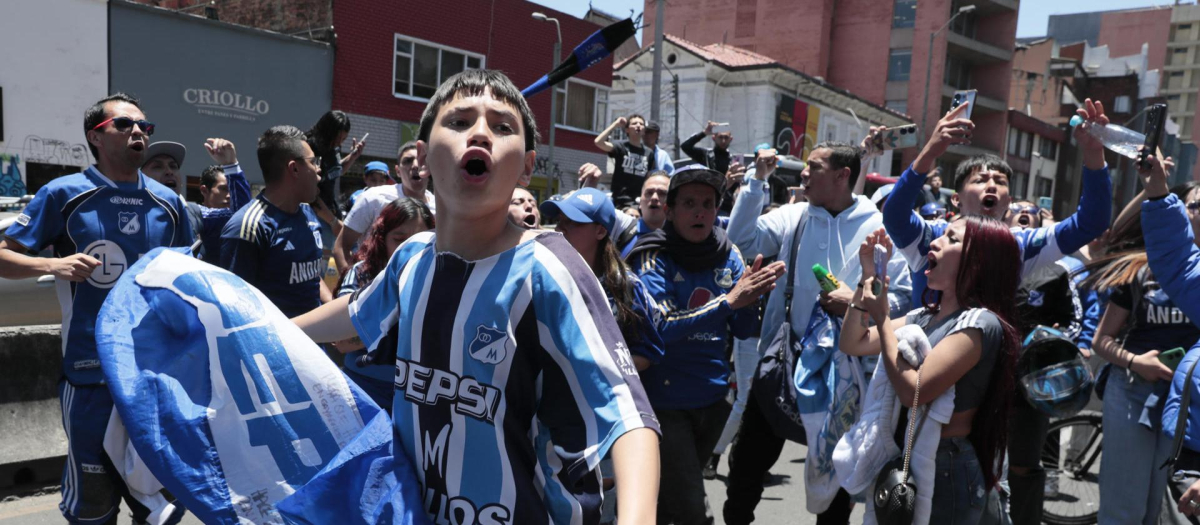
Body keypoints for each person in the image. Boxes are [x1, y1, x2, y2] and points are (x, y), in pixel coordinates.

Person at [291, 69, 661, 523]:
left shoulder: (551, 270)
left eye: (502, 126)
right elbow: (355, 314)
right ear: (423, 158)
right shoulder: (411, 257)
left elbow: (629, 418)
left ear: (526, 166)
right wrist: (261, 328)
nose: (481, 133)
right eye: (461, 120)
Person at [880, 98, 1113, 524]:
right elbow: (895, 214)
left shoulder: (1017, 246)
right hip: (922, 378)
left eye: (1000, 180)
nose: (992, 184)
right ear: (955, 196)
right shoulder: (931, 236)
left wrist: (1094, 155)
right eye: (980, 177)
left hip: (985, 391)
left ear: (1008, 200)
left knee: (984, 480)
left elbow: (1091, 221)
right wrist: (929, 152)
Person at [0, 93, 193, 524]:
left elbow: (189, 283)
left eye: (145, 126)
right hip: (90, 379)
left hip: (155, 380)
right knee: (92, 510)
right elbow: (3, 255)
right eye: (125, 125)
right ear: (96, 137)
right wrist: (53, 263)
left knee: (162, 510)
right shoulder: (63, 194)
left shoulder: (170, 203)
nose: (139, 132)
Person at [723, 143, 912, 525]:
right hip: (782, 364)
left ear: (843, 175)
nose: (803, 173)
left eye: (814, 166)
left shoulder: (877, 225)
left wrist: (854, 301)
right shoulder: (794, 216)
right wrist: (756, 181)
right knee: (746, 468)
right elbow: (741, 242)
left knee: (835, 484)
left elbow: (903, 300)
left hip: (845, 378)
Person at [625, 164, 785, 525]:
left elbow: (744, 330)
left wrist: (754, 295)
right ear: (669, 211)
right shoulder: (652, 257)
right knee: (693, 511)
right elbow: (660, 328)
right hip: (664, 405)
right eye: (689, 203)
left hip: (713, 403)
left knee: (673, 502)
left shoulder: (730, 255)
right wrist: (729, 302)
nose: (700, 212)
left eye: (709, 204)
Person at [841, 218, 1020, 523]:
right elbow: (853, 342)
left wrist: (883, 319)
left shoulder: (981, 323)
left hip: (948, 467)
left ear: (978, 262)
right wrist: (866, 278)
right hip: (912, 457)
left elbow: (915, 391)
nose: (935, 242)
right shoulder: (924, 317)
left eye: (951, 239)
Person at [1090, 177, 1200, 524]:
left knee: (1162, 509)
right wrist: (1137, 362)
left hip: (1188, 408)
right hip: (1133, 392)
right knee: (1124, 509)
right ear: (1180, 211)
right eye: (1197, 204)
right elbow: (1101, 341)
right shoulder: (1140, 266)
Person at [540, 187, 664, 370]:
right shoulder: (544, 276)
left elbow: (645, 353)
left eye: (572, 222)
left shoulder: (626, 286)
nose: (560, 229)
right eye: (559, 221)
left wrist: (592, 369)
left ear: (600, 231)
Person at [220, 125, 332, 318]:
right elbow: (234, 309)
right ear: (294, 168)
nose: (319, 169)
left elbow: (312, 277)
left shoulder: (309, 214)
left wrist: (331, 310)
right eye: (313, 161)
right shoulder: (248, 227)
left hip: (314, 343)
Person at [334, 197, 434, 410]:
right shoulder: (361, 273)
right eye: (399, 239)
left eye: (421, 239)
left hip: (418, 394)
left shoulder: (441, 276)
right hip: (366, 389)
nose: (410, 247)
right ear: (382, 239)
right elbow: (341, 342)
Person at [142, 139, 250, 264]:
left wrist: (231, 165)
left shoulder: (195, 212)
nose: (169, 171)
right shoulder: (129, 208)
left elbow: (242, 218)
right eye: (157, 166)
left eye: (173, 166)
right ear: (140, 175)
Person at [335, 141, 436, 274]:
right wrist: (353, 287)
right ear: (398, 171)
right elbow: (341, 247)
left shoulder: (441, 208)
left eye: (421, 160)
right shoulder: (373, 198)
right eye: (407, 161)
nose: (415, 165)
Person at [594, 113, 651, 208]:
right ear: (627, 130)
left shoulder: (649, 153)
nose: (638, 126)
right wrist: (615, 124)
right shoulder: (620, 147)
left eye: (641, 124)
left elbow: (648, 177)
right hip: (620, 200)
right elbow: (598, 142)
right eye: (634, 123)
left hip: (639, 201)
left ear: (644, 130)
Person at [681, 121, 738, 215]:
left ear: (730, 139)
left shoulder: (734, 160)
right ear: (714, 138)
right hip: (708, 201)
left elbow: (737, 186)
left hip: (727, 205)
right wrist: (705, 132)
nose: (723, 141)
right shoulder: (706, 155)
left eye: (726, 137)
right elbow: (685, 146)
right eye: (720, 137)